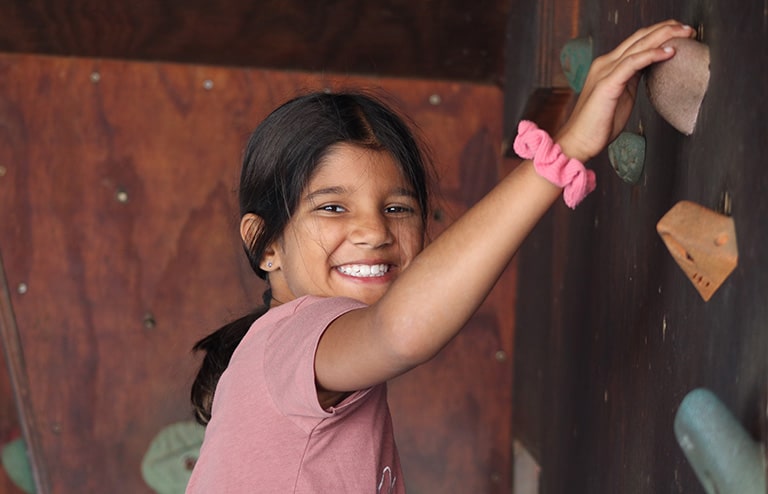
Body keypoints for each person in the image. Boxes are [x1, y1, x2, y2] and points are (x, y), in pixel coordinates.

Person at [185, 20, 695, 493]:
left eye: (398, 207)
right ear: (265, 245)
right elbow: (399, 330)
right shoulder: (290, 335)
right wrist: (567, 150)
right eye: (332, 207)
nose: (374, 230)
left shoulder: (290, 363)